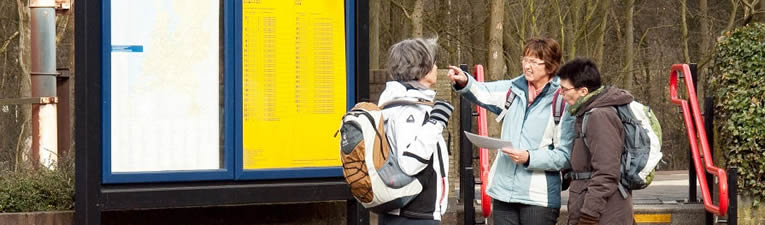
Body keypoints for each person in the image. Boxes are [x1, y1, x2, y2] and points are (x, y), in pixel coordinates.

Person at [447, 38, 575, 225]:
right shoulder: (513, 89)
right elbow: (482, 91)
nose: (527, 66)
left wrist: (528, 158)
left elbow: (564, 156)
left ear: (550, 66)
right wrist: (464, 80)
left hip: (538, 199)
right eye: (525, 60)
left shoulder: (562, 100)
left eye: (534, 62)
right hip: (503, 194)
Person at [377, 37, 452, 225]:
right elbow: (410, 163)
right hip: (414, 214)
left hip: (399, 211)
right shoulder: (409, 108)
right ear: (422, 68)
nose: (436, 67)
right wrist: (436, 122)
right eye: (433, 62)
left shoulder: (392, 103)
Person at [556, 58, 637, 225]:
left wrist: (589, 215)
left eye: (564, 89)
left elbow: (607, 171)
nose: (561, 93)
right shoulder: (586, 114)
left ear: (583, 91)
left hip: (604, 213)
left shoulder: (599, 116)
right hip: (596, 207)